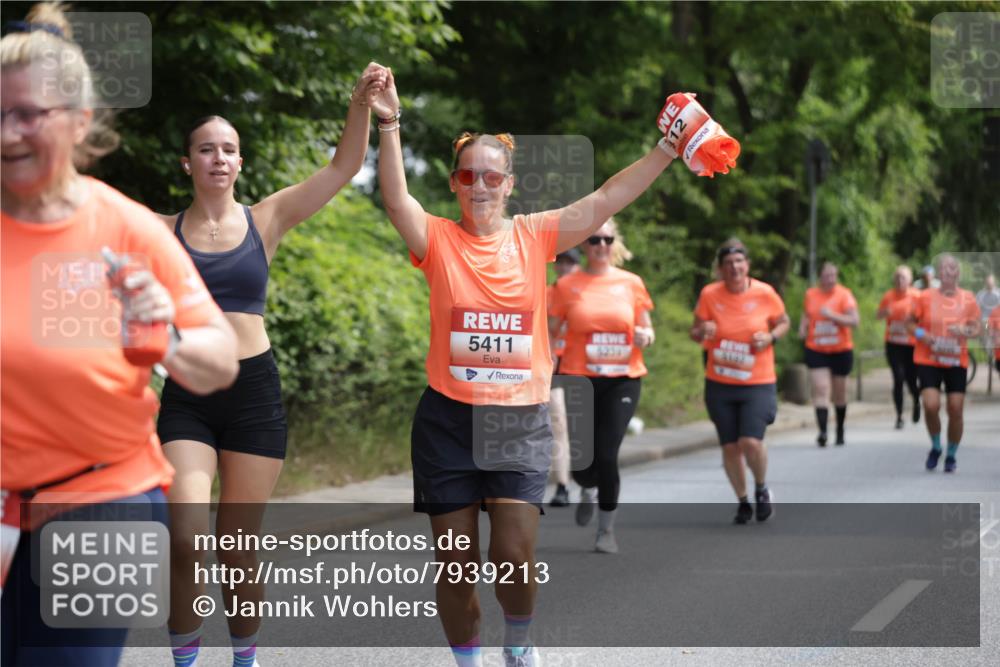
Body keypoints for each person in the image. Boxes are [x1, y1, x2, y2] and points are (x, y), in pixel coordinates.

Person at [372, 65, 693, 666]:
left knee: (513, 556)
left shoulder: (536, 236)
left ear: (509, 183)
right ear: (455, 184)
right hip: (446, 422)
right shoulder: (437, 239)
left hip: (516, 423)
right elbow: (395, 197)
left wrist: (667, 149)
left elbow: (605, 201)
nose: (481, 185)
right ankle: (468, 658)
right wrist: (388, 119)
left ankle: (518, 646)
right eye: (469, 176)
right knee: (455, 562)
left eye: (492, 175)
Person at [1, 5, 238, 665]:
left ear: (79, 120)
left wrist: (163, 340)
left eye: (29, 115)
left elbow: (218, 362)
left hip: (99, 502)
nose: (8, 134)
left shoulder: (126, 228)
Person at [156, 64, 382, 667]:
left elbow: (342, 169)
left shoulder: (266, 219)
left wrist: (360, 104)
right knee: (186, 540)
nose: (219, 158)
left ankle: (245, 659)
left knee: (238, 547)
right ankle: (185, 660)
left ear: (240, 162)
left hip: (254, 395)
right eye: (206, 149)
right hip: (186, 397)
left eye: (229, 149)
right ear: (188, 163)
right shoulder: (157, 231)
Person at [548, 219, 654, 551]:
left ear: (614, 243)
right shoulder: (566, 286)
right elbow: (550, 335)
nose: (602, 246)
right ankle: (587, 489)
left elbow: (647, 330)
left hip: (623, 379)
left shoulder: (631, 283)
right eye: (594, 239)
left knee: (607, 454)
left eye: (607, 239)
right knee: (583, 464)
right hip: (579, 379)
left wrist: (645, 336)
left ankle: (606, 530)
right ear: (584, 243)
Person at [690, 240, 789, 524]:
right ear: (720, 269)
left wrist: (771, 337)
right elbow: (695, 332)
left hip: (757, 381)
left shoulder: (765, 293)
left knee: (750, 441)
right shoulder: (710, 294)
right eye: (728, 263)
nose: (734, 267)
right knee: (730, 447)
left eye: (739, 262)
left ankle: (760, 488)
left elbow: (783, 321)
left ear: (747, 265)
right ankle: (743, 500)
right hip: (720, 382)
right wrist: (702, 330)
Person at [908, 255, 981, 473]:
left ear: (957, 274)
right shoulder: (925, 296)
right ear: (939, 274)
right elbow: (909, 324)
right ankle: (936, 446)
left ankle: (951, 454)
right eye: (943, 270)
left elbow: (977, 328)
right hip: (928, 358)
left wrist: (965, 331)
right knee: (931, 406)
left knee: (955, 409)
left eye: (951, 270)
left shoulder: (968, 299)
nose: (947, 274)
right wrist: (923, 335)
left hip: (956, 360)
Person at [799, 262, 859, 446]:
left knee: (839, 394)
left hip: (841, 350)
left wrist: (833, 316)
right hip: (817, 349)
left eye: (833, 275)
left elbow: (854, 321)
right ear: (820, 277)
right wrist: (802, 327)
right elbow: (806, 314)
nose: (830, 279)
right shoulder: (811, 294)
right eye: (826, 275)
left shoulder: (844, 295)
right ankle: (823, 431)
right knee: (821, 388)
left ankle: (840, 429)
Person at [547, 249, 580, 508]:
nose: (566, 267)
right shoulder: (546, 293)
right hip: (553, 365)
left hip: (584, 368)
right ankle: (562, 486)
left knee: (580, 427)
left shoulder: (588, 295)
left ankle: (588, 481)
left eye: (572, 263)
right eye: (562, 263)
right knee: (558, 423)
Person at [876, 266, 921, 429]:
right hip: (893, 343)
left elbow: (925, 318)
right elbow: (878, 315)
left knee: (911, 380)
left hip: (911, 345)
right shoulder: (889, 296)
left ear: (909, 280)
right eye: (897, 277)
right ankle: (899, 415)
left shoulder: (917, 296)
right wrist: (884, 313)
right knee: (898, 378)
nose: (900, 280)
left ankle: (916, 400)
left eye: (903, 277)